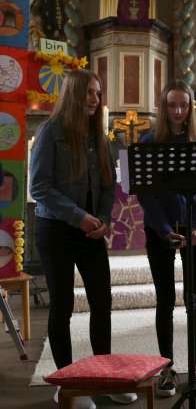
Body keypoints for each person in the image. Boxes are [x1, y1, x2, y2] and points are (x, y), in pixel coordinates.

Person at [30, 69, 136, 408]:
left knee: (102, 303)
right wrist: (80, 217)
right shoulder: (50, 132)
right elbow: (39, 188)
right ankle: (69, 385)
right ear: (75, 94)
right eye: (90, 92)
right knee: (61, 306)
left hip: (91, 232)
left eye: (98, 93)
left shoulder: (98, 136)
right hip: (57, 230)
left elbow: (107, 185)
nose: (95, 99)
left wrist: (103, 219)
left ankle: (104, 376)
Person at [137, 81, 196, 397]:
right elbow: (146, 192)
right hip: (161, 231)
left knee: (194, 300)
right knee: (165, 300)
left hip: (194, 231)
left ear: (191, 107)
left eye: (184, 105)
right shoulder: (149, 142)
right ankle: (166, 368)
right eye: (172, 105)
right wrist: (163, 227)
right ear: (163, 106)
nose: (178, 111)